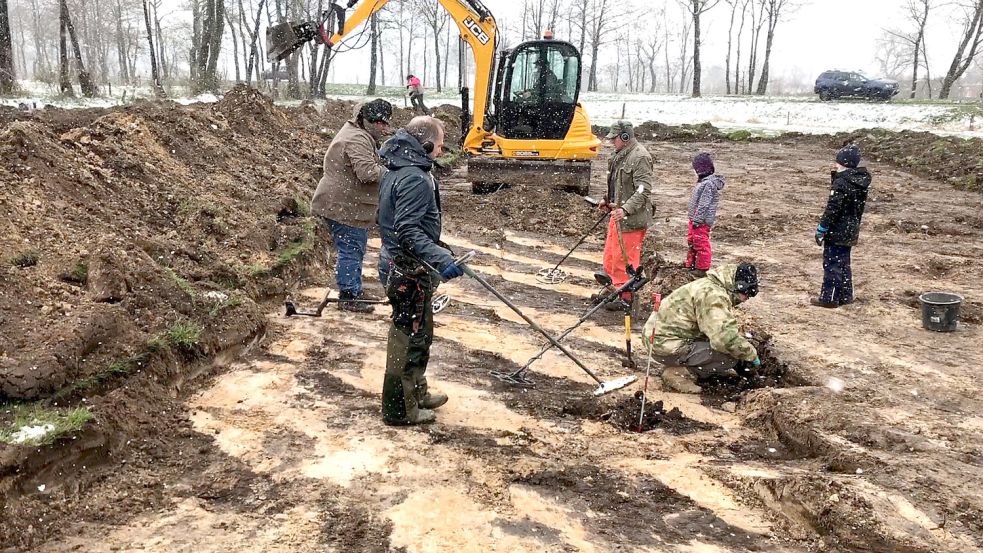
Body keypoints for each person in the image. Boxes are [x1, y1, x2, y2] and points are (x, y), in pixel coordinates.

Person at [377, 116, 461, 426]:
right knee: (407, 337)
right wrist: (439, 257)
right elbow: (407, 230)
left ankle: (416, 392)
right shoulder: (414, 176)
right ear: (424, 145)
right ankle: (399, 409)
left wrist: (438, 251)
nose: (441, 150)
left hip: (408, 264)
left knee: (421, 333)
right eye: (439, 145)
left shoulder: (399, 168)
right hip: (407, 269)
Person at [311, 99, 393, 313]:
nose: (385, 129)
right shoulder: (357, 138)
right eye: (382, 124)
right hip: (342, 206)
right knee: (351, 249)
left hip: (344, 202)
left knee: (353, 247)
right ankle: (349, 296)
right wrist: (393, 174)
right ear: (369, 121)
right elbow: (367, 173)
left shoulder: (357, 132)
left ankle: (352, 290)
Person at [642, 263, 762, 394]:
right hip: (665, 345)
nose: (746, 299)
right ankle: (680, 373)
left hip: (659, 339)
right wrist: (750, 355)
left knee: (731, 349)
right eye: (747, 294)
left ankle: (692, 365)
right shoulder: (713, 296)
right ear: (739, 287)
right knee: (729, 356)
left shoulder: (709, 286)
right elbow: (724, 340)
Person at [596, 120, 654, 310]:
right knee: (611, 256)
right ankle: (613, 289)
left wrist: (626, 209)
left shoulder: (640, 157)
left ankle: (625, 297)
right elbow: (617, 184)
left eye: (615, 138)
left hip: (630, 219)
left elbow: (643, 190)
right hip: (618, 215)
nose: (612, 142)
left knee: (625, 260)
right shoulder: (620, 156)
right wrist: (608, 200)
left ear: (625, 137)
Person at [812, 144, 871, 308]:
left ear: (843, 163)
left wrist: (822, 228)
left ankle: (829, 298)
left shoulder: (842, 183)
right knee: (844, 263)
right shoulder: (859, 182)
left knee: (832, 264)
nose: (835, 165)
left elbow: (832, 209)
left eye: (837, 162)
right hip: (850, 231)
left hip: (837, 231)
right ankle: (846, 296)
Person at [686, 152, 725, 277]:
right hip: (695, 220)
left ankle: (702, 268)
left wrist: (697, 220)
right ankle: (691, 264)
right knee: (692, 242)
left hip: (701, 222)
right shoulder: (703, 183)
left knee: (701, 243)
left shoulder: (708, 184)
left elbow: (704, 204)